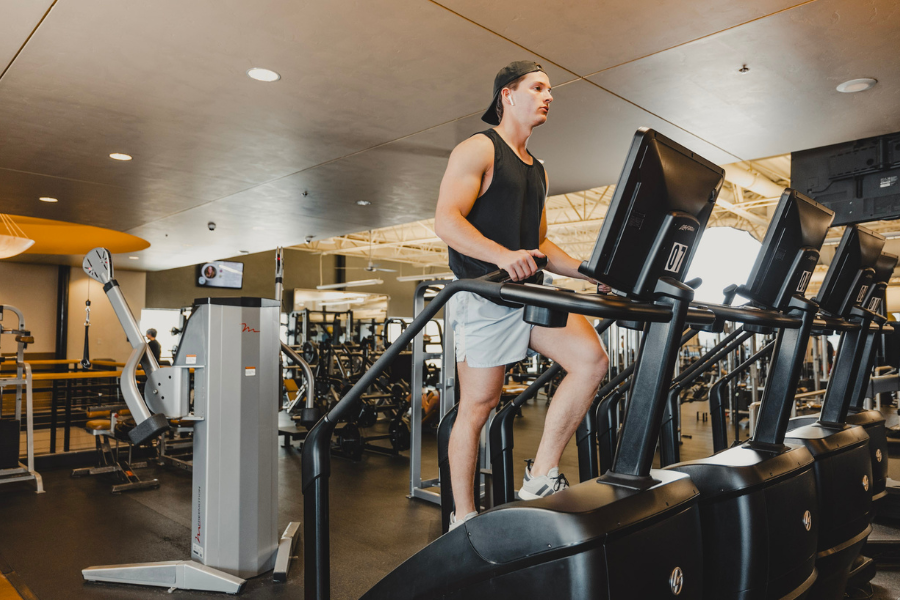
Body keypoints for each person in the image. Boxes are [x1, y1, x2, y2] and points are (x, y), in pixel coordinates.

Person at [434, 61, 610, 531]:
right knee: (478, 406)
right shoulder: (478, 148)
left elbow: (542, 244)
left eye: (550, 89)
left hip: (530, 294)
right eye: (537, 87)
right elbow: (448, 221)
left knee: (591, 359)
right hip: (485, 295)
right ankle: (463, 516)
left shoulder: (539, 169)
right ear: (506, 95)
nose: (548, 96)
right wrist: (502, 255)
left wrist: (592, 274)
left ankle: (540, 475)